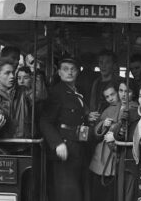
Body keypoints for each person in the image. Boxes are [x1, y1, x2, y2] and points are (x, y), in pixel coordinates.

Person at [40, 57, 91, 201]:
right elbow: (45, 121)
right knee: (67, 193)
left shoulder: (78, 92)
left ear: (77, 72)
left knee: (77, 191)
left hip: (78, 147)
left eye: (73, 69)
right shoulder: (55, 93)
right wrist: (57, 143)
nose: (69, 72)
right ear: (59, 73)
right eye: (65, 69)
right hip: (65, 148)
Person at [0, 57, 32, 142]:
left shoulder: (24, 92)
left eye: (13, 72)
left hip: (24, 147)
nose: (12, 76)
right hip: (1, 150)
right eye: (7, 73)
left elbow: (40, 96)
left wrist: (34, 69)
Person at [89, 83, 120, 201]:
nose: (110, 98)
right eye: (107, 97)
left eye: (112, 94)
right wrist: (103, 124)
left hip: (112, 149)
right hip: (104, 150)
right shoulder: (106, 110)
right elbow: (97, 131)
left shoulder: (125, 107)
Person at [89, 49, 120, 114]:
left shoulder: (118, 83)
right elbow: (92, 103)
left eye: (107, 62)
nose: (103, 66)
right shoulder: (96, 82)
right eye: (101, 62)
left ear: (113, 65)